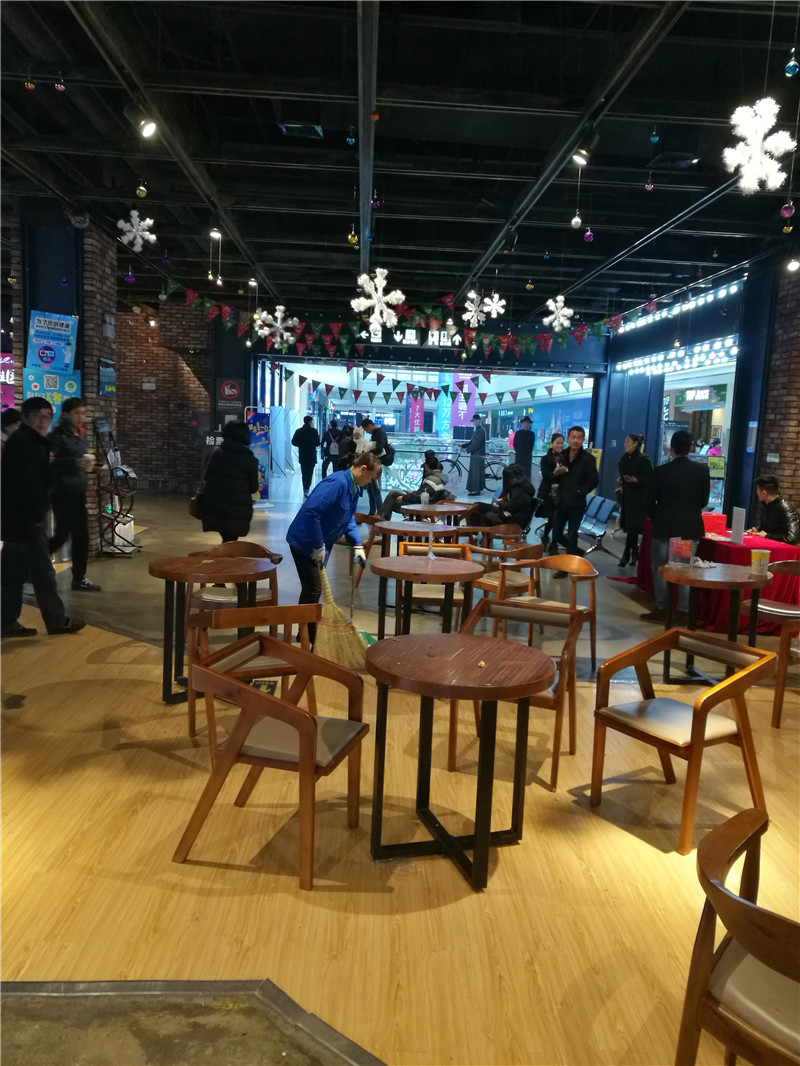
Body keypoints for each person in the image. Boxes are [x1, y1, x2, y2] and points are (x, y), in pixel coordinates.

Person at [1, 397, 84, 637]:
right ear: (25, 416)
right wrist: (38, 512)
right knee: (43, 572)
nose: (42, 421)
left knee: (13, 574)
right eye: (37, 415)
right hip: (25, 519)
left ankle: (6, 622)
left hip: (18, 519)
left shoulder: (32, 441)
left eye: (47, 416)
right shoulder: (24, 443)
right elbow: (28, 483)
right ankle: (56, 621)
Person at [285, 453, 381, 644]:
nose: (370, 482)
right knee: (313, 590)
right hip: (304, 542)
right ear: (363, 469)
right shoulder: (337, 483)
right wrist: (318, 545)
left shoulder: (353, 488)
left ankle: (304, 633)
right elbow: (312, 512)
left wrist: (357, 545)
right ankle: (311, 638)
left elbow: (348, 519)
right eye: (370, 477)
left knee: (311, 590)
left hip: (320, 545)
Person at [641, 429, 710, 622]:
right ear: (690, 448)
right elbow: (704, 500)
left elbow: (648, 501)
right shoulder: (701, 470)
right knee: (683, 570)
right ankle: (684, 611)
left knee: (660, 568)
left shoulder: (660, 471)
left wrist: (656, 517)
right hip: (688, 528)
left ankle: (662, 608)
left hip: (664, 526)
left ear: (671, 449)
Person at [48, 397, 101, 592]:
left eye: (83, 413)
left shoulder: (81, 434)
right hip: (62, 492)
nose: (81, 417)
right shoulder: (57, 436)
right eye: (77, 413)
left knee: (81, 537)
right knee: (63, 535)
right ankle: (30, 564)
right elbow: (49, 463)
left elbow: (82, 461)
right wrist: (74, 463)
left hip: (78, 491)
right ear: (66, 414)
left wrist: (95, 467)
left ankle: (79, 578)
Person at [550, 426, 598, 574]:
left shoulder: (588, 459)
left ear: (583, 440)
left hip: (577, 502)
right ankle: (576, 552)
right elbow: (552, 476)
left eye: (579, 438)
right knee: (556, 533)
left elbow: (594, 480)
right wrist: (555, 474)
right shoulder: (561, 455)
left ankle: (567, 567)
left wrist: (580, 491)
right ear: (568, 438)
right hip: (561, 500)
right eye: (573, 437)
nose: (576, 440)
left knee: (572, 535)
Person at [201, 421, 259, 542]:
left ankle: (224, 552)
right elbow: (253, 488)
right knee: (231, 541)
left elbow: (206, 477)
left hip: (215, 506)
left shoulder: (215, 453)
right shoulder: (249, 458)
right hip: (238, 510)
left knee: (227, 540)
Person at [616, 433, 653, 568]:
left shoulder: (644, 459)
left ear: (635, 444)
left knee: (633, 528)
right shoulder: (624, 458)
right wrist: (622, 480)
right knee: (631, 528)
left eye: (628, 441)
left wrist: (638, 480)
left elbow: (651, 478)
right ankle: (633, 554)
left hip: (640, 500)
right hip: (628, 497)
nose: (625, 444)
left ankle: (628, 554)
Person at [377, 450, 449, 519]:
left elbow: (419, 497)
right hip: (423, 503)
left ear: (427, 466)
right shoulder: (437, 478)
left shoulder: (431, 480)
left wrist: (403, 498)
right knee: (393, 493)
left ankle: (381, 517)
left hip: (421, 506)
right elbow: (423, 493)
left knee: (391, 503)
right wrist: (413, 493)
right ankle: (381, 516)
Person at [474, 463, 535, 528]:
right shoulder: (519, 486)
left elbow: (511, 506)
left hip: (513, 520)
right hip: (508, 513)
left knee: (484, 517)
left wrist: (500, 502)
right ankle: (473, 533)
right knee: (477, 506)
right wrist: (501, 502)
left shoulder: (518, 490)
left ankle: (481, 534)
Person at [748, 475, 800, 544]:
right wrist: (757, 531)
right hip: (769, 544)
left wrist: (767, 535)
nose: (756, 492)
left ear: (764, 493)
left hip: (783, 548)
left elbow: (792, 538)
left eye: (757, 489)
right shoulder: (766, 505)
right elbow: (767, 529)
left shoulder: (785, 507)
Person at [536, 432, 564, 550]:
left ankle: (553, 541)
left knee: (557, 517)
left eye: (561, 443)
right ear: (552, 444)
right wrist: (555, 473)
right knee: (552, 516)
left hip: (561, 493)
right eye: (557, 443)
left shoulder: (565, 458)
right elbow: (546, 475)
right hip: (547, 493)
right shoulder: (545, 459)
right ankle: (548, 537)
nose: (560, 445)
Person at [360, 417, 389, 514]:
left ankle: (380, 512)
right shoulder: (377, 433)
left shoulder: (379, 433)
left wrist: (368, 453)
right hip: (374, 463)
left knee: (375, 489)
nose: (367, 432)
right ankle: (372, 511)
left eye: (366, 430)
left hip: (376, 465)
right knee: (371, 489)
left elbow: (380, 448)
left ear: (369, 426)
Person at [291, 415, 320, 498]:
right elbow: (318, 443)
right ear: (310, 422)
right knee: (310, 472)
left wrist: (300, 444)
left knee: (304, 472)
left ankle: (305, 489)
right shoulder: (314, 431)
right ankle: (307, 488)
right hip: (311, 454)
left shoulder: (298, 431)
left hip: (302, 454)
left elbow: (293, 442)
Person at [461, 413, 486, 495]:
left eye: (476, 420)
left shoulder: (481, 430)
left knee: (476, 473)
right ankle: (475, 489)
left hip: (478, 455)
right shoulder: (477, 430)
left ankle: (476, 490)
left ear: (479, 421)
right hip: (476, 454)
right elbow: (472, 442)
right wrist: (463, 445)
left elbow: (476, 444)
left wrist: (467, 449)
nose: (475, 422)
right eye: (474, 421)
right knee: (475, 472)